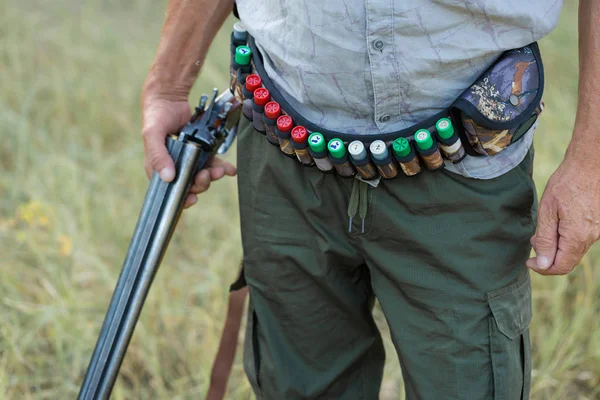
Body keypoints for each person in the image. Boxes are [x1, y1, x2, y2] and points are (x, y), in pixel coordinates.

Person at [140, 0, 600, 398]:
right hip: (282, 137)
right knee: (297, 384)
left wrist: (591, 162)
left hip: (467, 163)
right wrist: (169, 83)